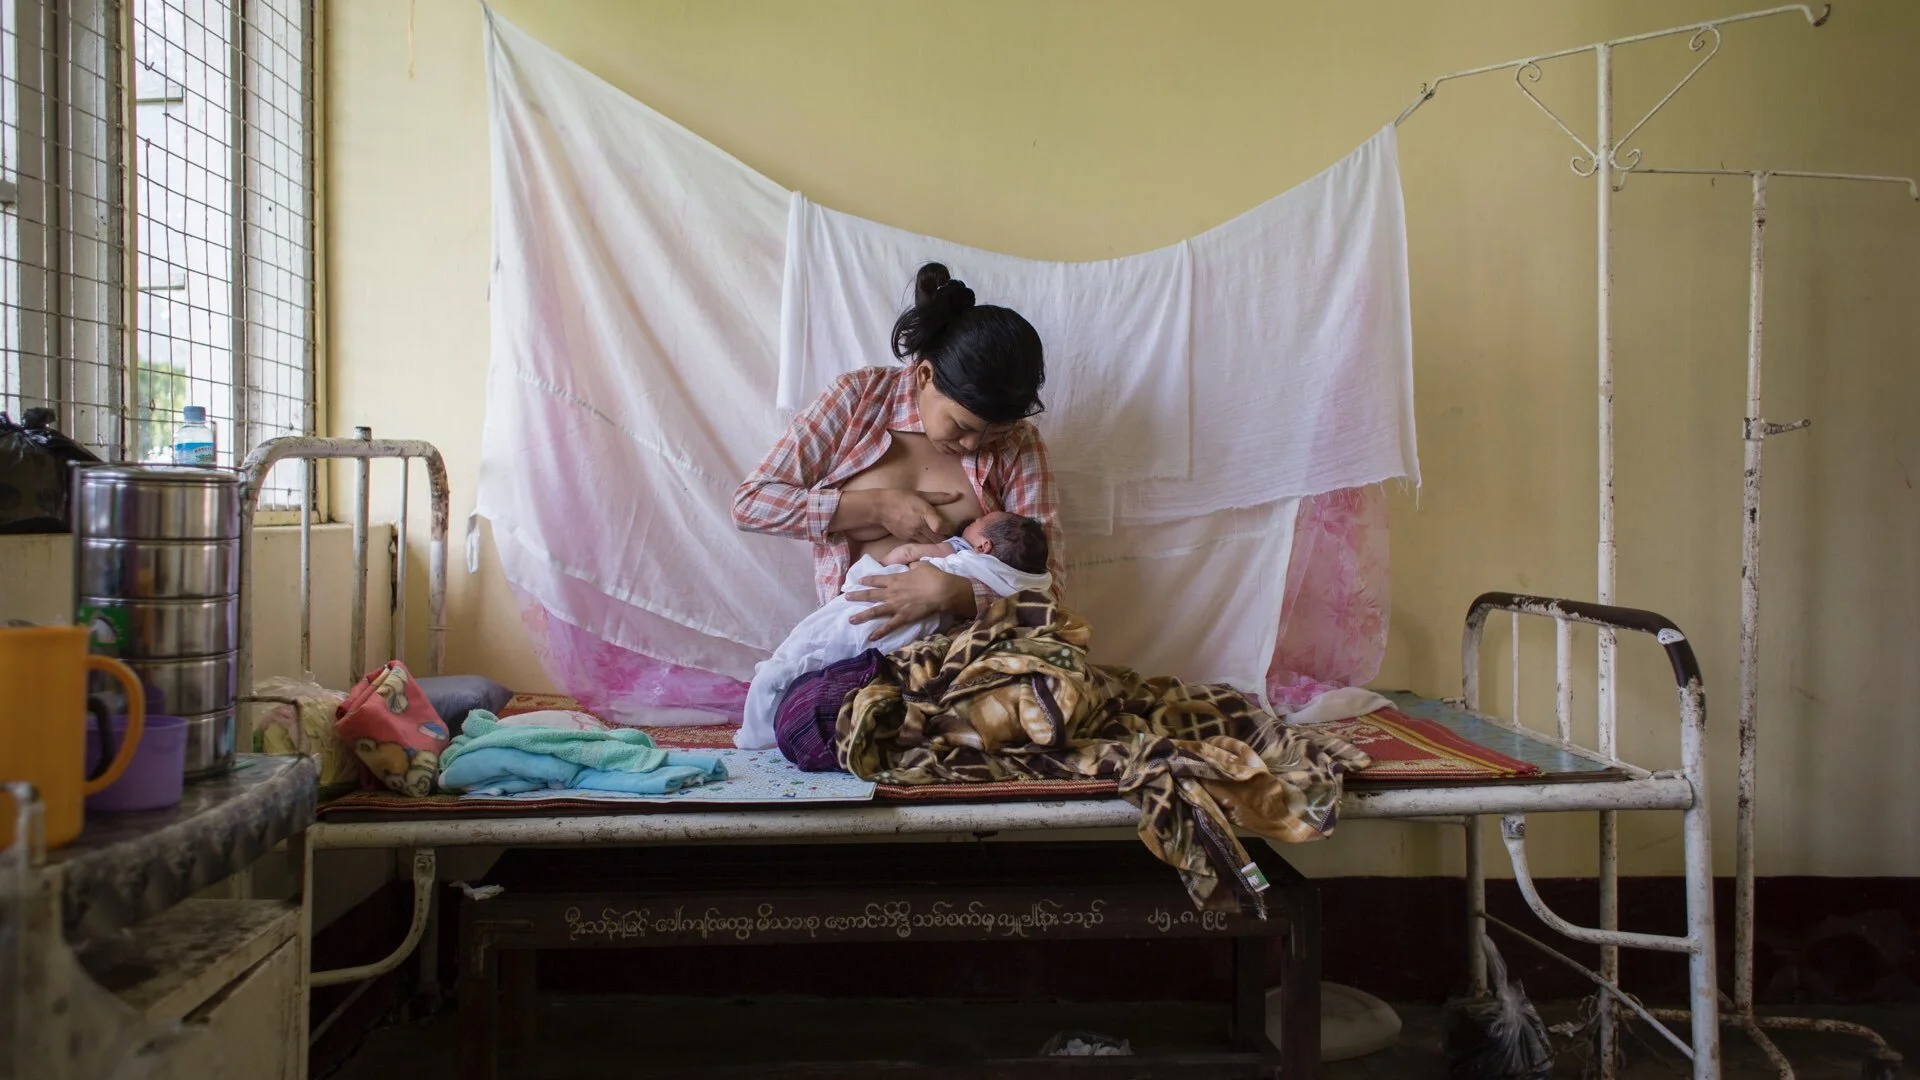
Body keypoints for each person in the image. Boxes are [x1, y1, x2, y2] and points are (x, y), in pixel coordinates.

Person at [733, 261, 1065, 644]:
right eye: (962, 426)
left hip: (971, 654)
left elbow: (1048, 593)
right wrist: (878, 507)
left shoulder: (1019, 445)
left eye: (995, 433)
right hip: (854, 645)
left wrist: (954, 594)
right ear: (925, 376)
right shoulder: (859, 399)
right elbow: (753, 503)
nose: (973, 446)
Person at [735, 512, 1051, 749]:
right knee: (824, 662)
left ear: (984, 545)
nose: (971, 519)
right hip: (920, 639)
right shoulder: (1023, 578)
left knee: (810, 650)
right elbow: (1036, 602)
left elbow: (908, 555)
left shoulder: (959, 552)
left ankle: (761, 729)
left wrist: (887, 566)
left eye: (979, 519)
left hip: (894, 616)